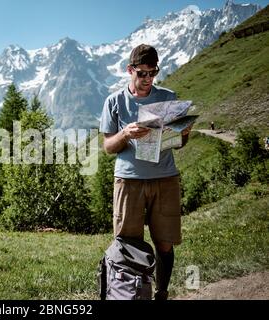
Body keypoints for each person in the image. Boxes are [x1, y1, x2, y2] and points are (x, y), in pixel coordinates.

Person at [99, 44, 192, 300]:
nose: (148, 79)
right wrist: (125, 134)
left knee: (164, 243)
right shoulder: (114, 101)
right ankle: (129, 295)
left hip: (165, 178)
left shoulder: (169, 97)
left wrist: (184, 134)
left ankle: (161, 293)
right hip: (129, 181)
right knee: (129, 245)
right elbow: (108, 146)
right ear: (130, 70)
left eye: (153, 73)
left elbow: (181, 143)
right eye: (142, 73)